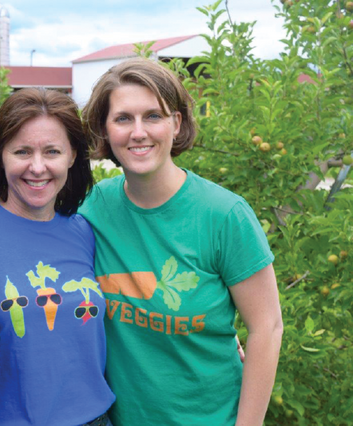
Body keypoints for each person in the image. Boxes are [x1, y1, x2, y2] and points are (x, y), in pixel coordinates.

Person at [79, 57, 283, 425]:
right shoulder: (92, 207)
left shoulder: (224, 215)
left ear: (176, 123)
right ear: (105, 130)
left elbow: (267, 327)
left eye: (153, 116)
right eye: (123, 118)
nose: (138, 132)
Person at [0, 87, 115, 425]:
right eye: (22, 151)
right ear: (0, 155)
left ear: (72, 157)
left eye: (52, 151)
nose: (37, 167)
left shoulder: (84, 231)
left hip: (94, 418)